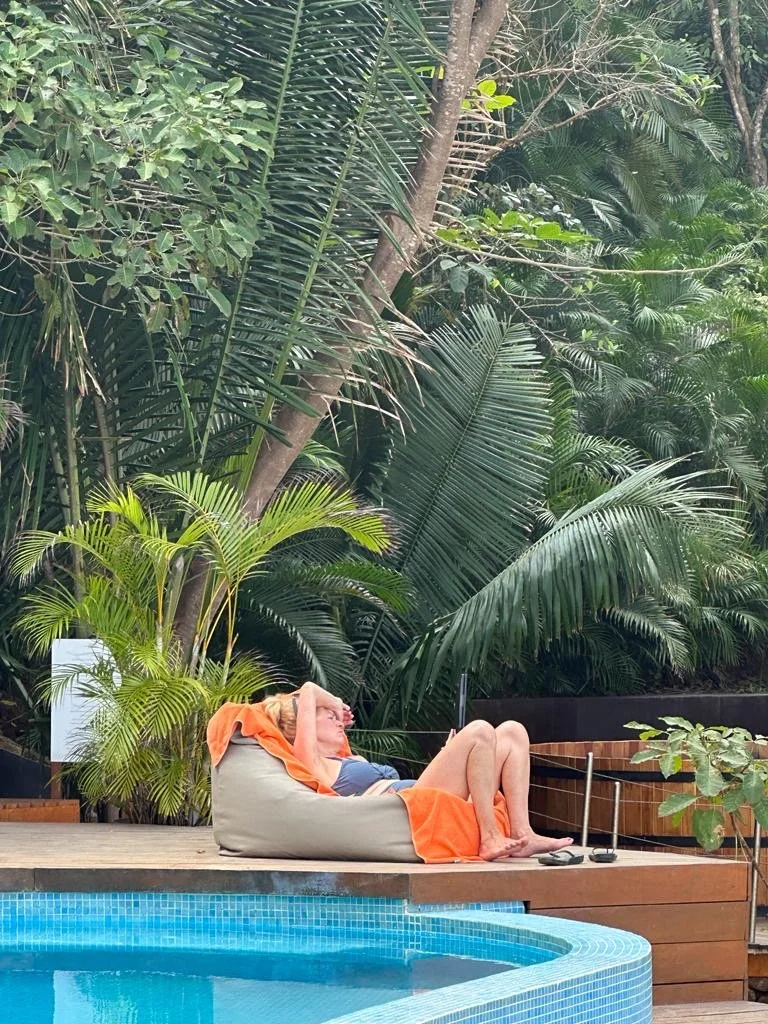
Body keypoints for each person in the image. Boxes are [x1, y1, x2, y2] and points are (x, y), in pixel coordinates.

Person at [259, 680, 572, 863]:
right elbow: (309, 689)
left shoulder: (347, 758)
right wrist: (336, 701)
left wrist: (447, 756)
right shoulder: (311, 764)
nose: (339, 720)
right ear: (303, 729)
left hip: (421, 794)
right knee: (478, 731)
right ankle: (490, 837)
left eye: (337, 716)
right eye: (328, 717)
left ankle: (522, 833)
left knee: (513, 732)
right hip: (406, 807)